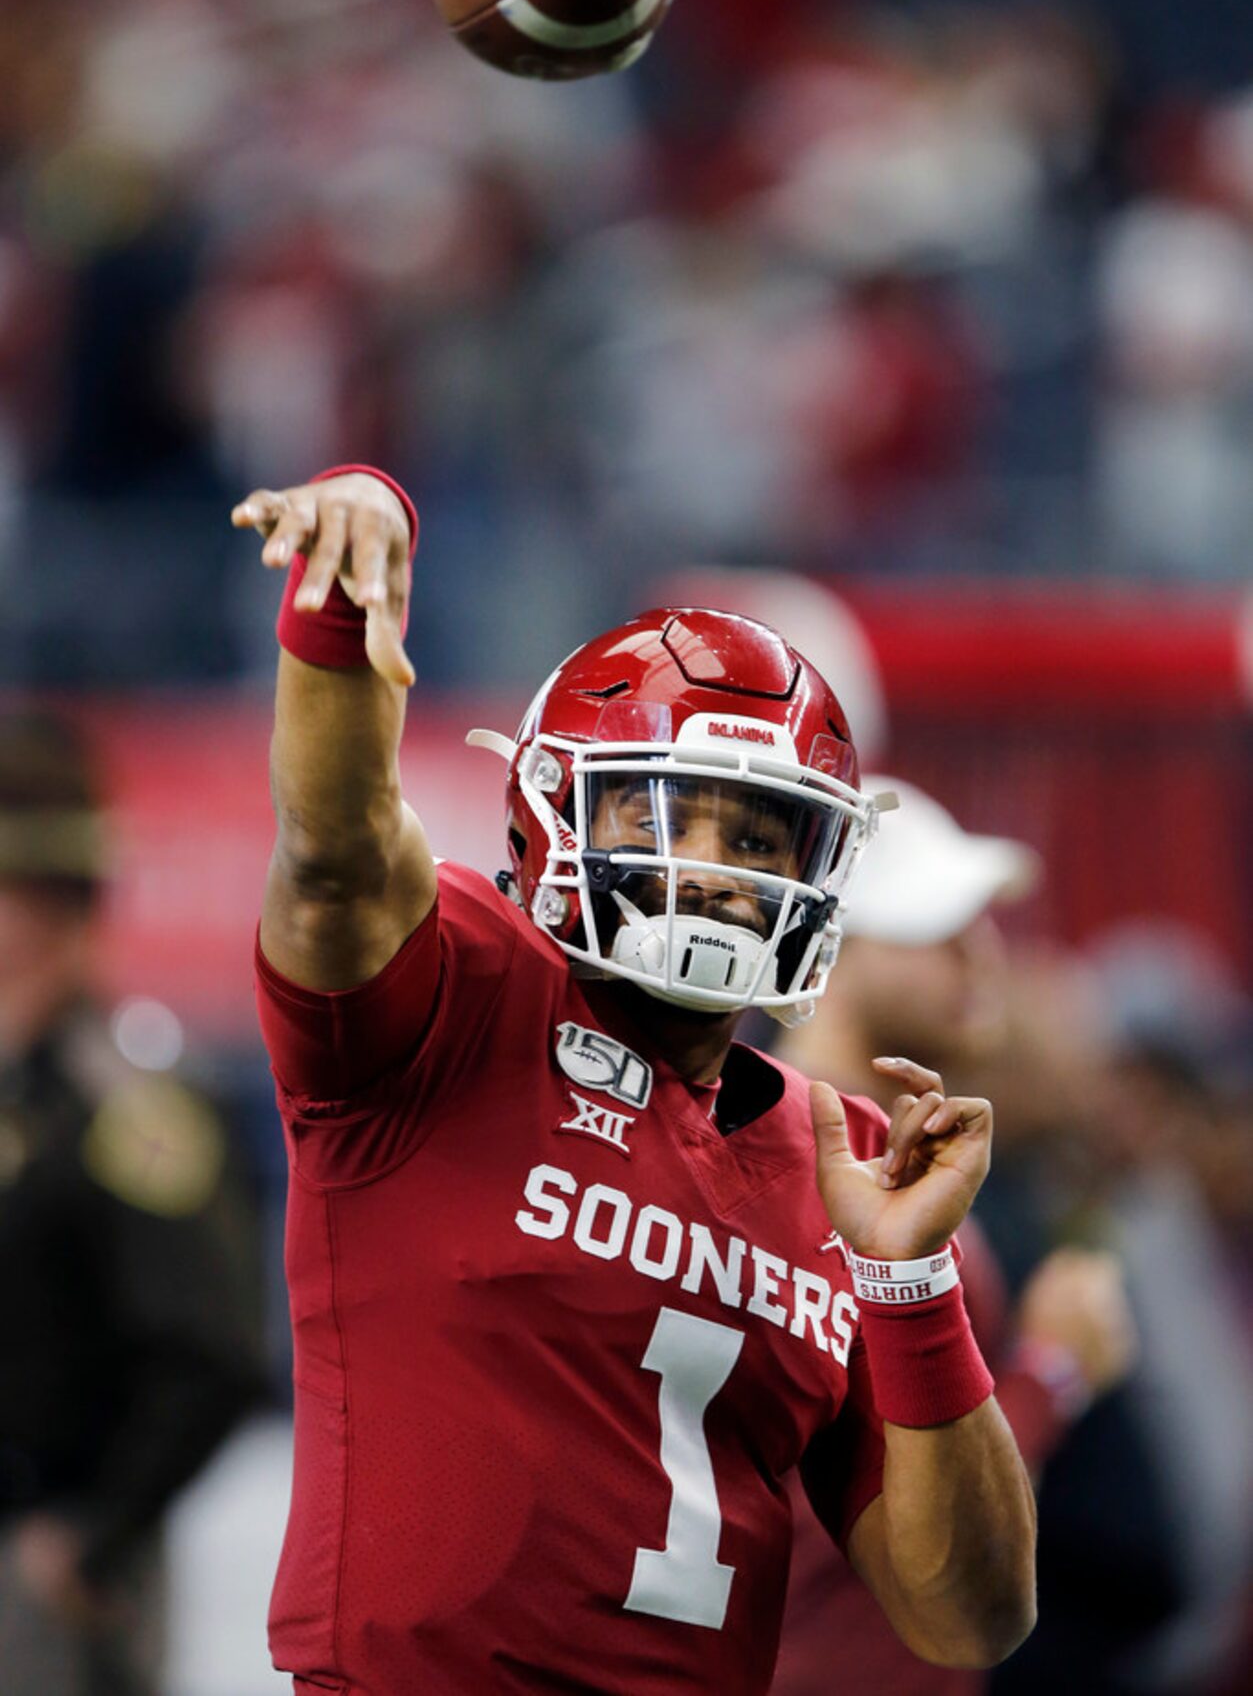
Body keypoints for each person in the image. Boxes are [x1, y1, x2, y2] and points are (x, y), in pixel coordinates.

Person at [233, 466, 1037, 1696]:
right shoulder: (451, 999)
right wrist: (344, 593)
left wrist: (911, 1281)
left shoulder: (845, 1162)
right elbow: (333, 851)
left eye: (760, 836)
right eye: (673, 815)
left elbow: (968, 1617)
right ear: (555, 811)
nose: (717, 873)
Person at [772, 779, 1139, 1696]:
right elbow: (904, 1534)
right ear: (834, 947)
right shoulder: (822, 1179)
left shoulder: (838, 1150)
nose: (982, 957)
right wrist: (1054, 1371)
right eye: (938, 924)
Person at [0, 711, 266, 1696]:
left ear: (40, 904)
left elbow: (214, 1353)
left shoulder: (129, 1103)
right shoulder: (27, 1088)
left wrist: (92, 1532)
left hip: (43, 1581)